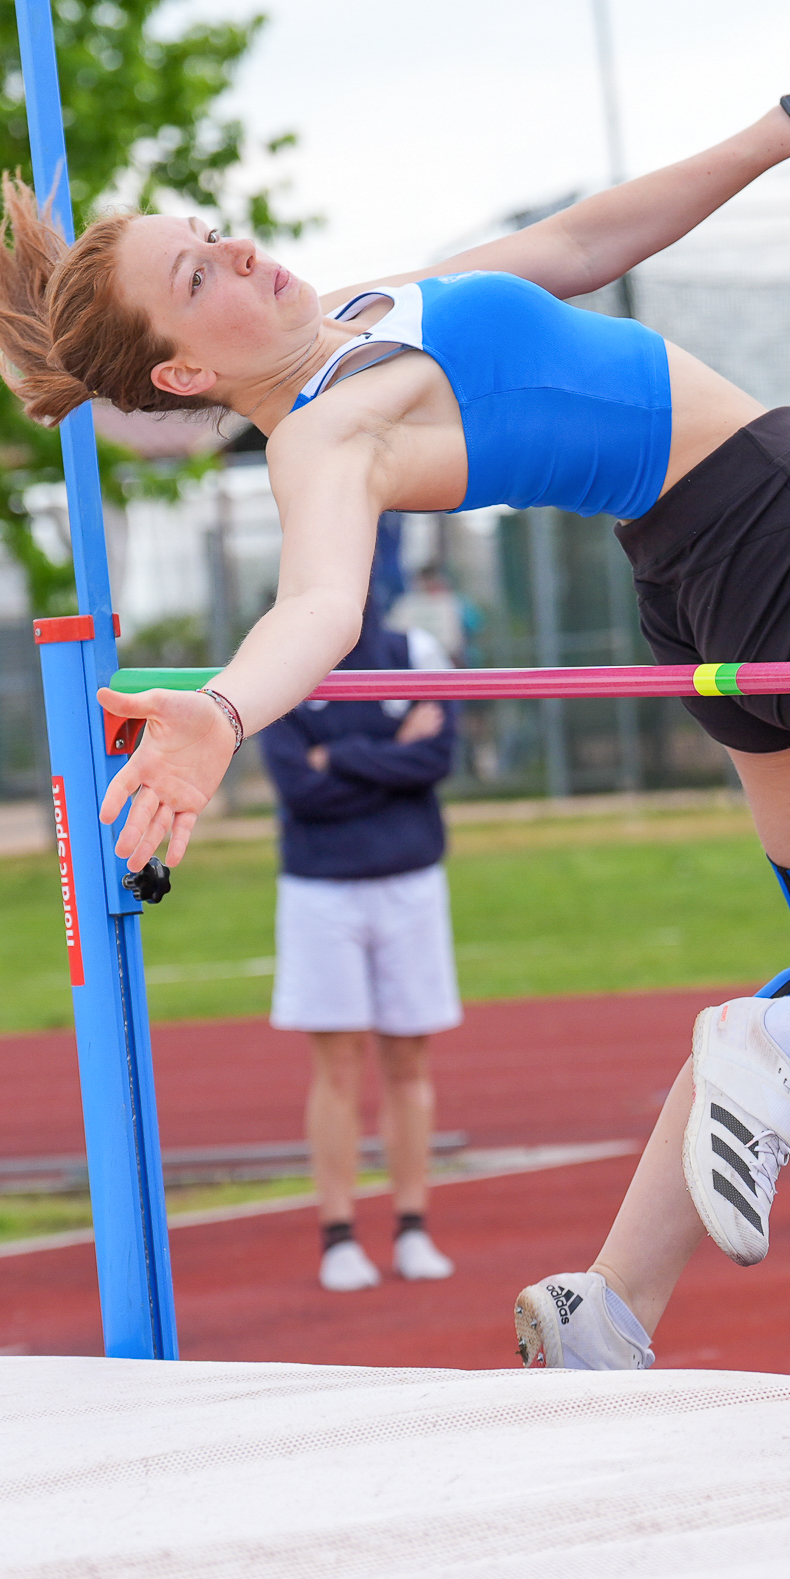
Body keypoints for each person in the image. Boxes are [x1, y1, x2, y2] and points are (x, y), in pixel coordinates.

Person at [0, 59, 790, 1374]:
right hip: (784, 539)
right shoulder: (322, 436)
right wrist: (222, 710)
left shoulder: (365, 311)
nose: (235, 251)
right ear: (179, 371)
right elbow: (319, 605)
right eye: (195, 274)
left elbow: (578, 244)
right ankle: (781, 1051)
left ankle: (608, 1307)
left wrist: (785, 132)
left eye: (212, 233)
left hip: (710, 583)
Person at [259, 548, 464, 1293]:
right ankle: (338, 1235)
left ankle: (412, 1226)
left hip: (409, 881)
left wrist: (337, 758)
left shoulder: (416, 653)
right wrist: (386, 753)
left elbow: (435, 760)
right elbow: (297, 787)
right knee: (337, 1062)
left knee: (409, 1058)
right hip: (321, 889)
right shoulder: (277, 660)